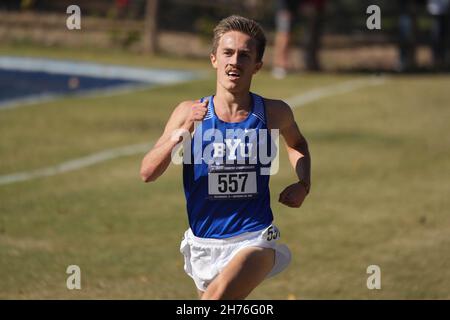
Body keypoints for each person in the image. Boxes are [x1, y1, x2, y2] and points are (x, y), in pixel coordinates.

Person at [140, 15, 311, 300]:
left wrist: (303, 183)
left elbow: (298, 143)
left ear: (257, 65)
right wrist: (183, 130)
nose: (235, 61)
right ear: (214, 59)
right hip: (203, 242)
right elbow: (148, 172)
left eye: (244, 55)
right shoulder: (188, 112)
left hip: (254, 238)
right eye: (227, 53)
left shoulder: (274, 113)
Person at [272, 0, 326, 78]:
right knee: (284, 35)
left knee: (291, 36)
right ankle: (280, 66)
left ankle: (287, 64)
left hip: (295, 7)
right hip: (285, 7)